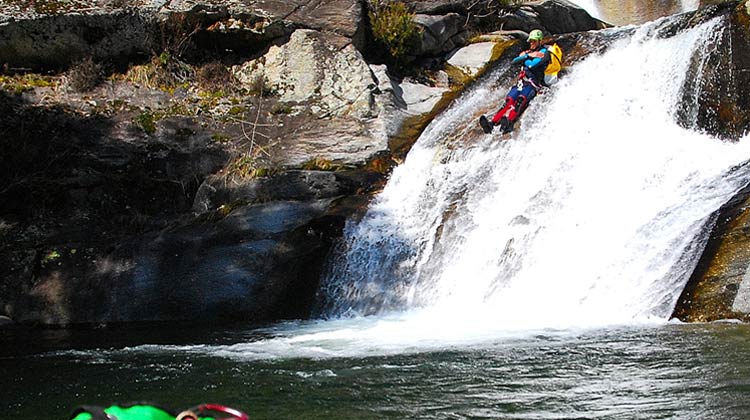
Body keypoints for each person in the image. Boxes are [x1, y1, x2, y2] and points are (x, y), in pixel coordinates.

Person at [480, 29, 554, 134]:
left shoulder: (543, 53)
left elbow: (531, 65)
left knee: (520, 100)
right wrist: (528, 56)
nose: (531, 43)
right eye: (531, 41)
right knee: (508, 101)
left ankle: (509, 122)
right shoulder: (529, 53)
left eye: (534, 41)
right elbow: (514, 61)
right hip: (521, 83)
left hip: (533, 84)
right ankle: (492, 123)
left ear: (540, 41)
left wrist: (525, 57)